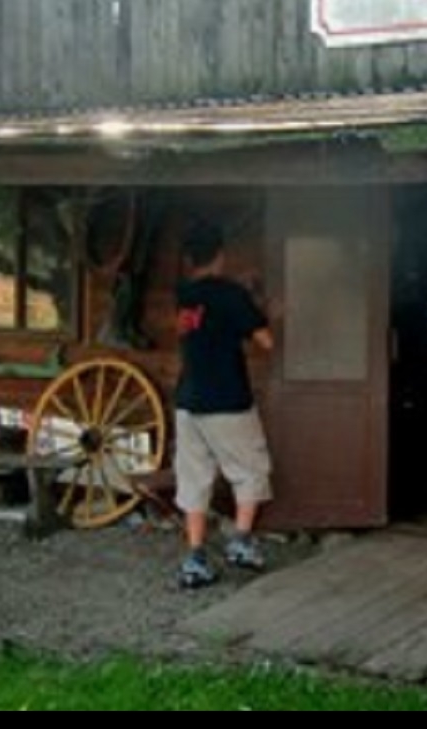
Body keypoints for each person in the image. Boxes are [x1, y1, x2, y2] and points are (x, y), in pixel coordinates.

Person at [172, 219, 275, 590]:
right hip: (227, 398)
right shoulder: (232, 295)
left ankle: (195, 558)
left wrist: (243, 294)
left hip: (188, 400)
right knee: (250, 468)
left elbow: (210, 318)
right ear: (221, 255)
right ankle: (241, 543)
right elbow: (266, 341)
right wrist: (264, 308)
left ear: (189, 258)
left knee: (194, 478)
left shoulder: (184, 294)